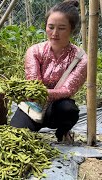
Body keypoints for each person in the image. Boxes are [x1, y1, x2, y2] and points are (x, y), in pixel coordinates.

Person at [10, 0, 87, 143]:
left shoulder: (81, 58)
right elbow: (34, 85)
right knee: (15, 137)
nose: (55, 33)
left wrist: (43, 93)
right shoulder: (35, 51)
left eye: (62, 28)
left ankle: (62, 132)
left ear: (72, 29)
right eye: (50, 27)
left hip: (57, 110)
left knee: (69, 110)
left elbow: (67, 90)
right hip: (34, 105)